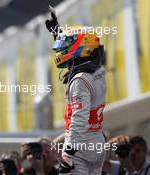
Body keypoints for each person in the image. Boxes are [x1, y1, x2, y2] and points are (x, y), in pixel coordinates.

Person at [45, 9, 106, 174]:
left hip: (81, 144)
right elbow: (82, 49)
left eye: (66, 47)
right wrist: (57, 33)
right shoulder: (98, 70)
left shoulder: (79, 80)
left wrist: (67, 153)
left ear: (83, 47)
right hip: (97, 139)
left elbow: (80, 119)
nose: (61, 51)